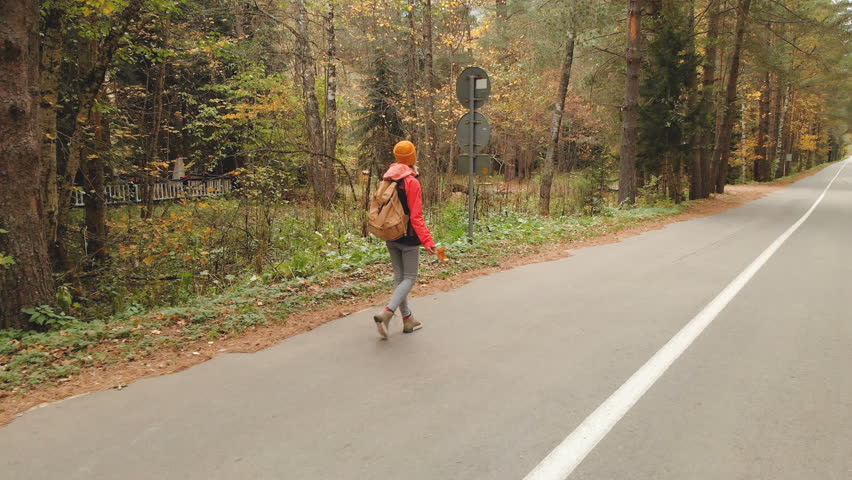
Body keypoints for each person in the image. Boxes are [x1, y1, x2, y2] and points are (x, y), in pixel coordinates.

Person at [373, 140, 436, 339]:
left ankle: (408, 319)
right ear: (412, 158)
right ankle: (387, 313)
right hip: (408, 237)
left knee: (400, 279)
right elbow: (416, 216)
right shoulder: (411, 182)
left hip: (390, 233)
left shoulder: (387, 178)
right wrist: (427, 241)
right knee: (409, 278)